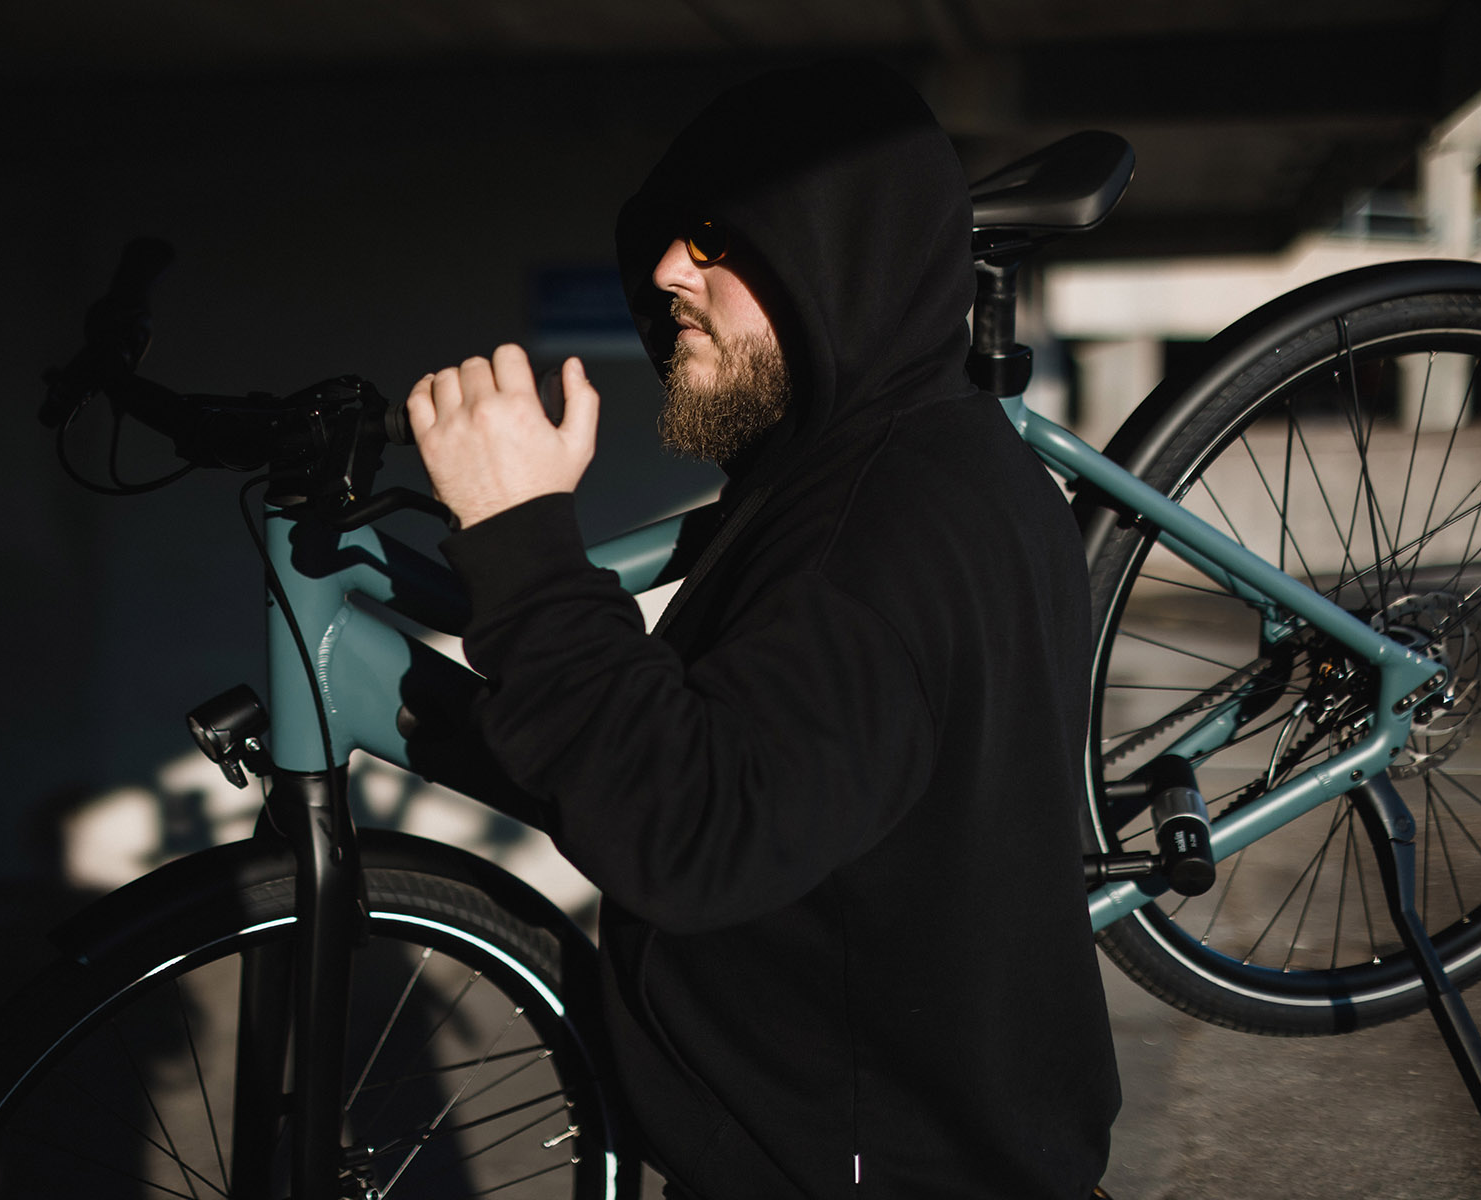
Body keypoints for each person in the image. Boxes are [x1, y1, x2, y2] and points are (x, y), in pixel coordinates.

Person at [404, 60, 1120, 1199]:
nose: (662, 273)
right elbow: (750, 758)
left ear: (832, 251)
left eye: (714, 238)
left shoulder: (876, 540)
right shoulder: (933, 464)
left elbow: (697, 832)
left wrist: (522, 540)